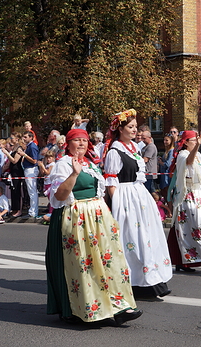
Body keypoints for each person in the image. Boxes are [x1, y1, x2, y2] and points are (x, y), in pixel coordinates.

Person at [46, 128, 142, 325]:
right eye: (77, 140)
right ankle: (86, 308)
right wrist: (74, 174)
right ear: (68, 144)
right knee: (84, 264)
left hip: (98, 217)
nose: (81, 143)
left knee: (109, 261)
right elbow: (59, 196)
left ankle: (119, 306)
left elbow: (100, 192)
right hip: (76, 217)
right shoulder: (62, 165)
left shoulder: (91, 164)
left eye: (84, 140)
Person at [104, 109, 172, 298]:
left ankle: (151, 280)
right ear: (120, 129)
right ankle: (136, 283)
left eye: (135, 127)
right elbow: (111, 183)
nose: (135, 130)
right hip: (126, 198)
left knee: (147, 237)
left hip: (139, 196)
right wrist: (118, 207)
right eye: (131, 127)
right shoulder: (115, 152)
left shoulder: (133, 148)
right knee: (134, 239)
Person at [168, 130, 201, 274]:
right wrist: (198, 146)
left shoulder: (199, 156)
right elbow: (188, 162)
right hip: (188, 195)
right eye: (193, 141)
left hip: (200, 194)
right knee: (192, 228)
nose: (196, 143)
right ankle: (188, 261)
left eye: (196, 141)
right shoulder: (182, 155)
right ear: (185, 142)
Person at [17, 131, 40, 218]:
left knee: (32, 191)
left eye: (26, 137)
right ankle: (32, 210)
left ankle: (33, 212)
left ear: (31, 137)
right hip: (28, 169)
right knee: (31, 191)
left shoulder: (32, 146)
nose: (24, 138)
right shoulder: (29, 146)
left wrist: (24, 155)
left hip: (31, 169)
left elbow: (34, 161)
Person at [1, 134, 24, 218]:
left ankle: (18, 210)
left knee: (17, 190)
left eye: (12, 138)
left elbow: (15, 161)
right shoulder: (14, 148)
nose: (10, 139)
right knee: (13, 191)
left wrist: (7, 153)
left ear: (17, 139)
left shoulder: (19, 148)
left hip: (17, 172)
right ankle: (14, 208)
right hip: (13, 172)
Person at [158, 134, 174, 198]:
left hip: (167, 176)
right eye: (164, 140)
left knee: (168, 194)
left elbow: (168, 164)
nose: (165, 142)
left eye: (166, 140)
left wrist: (160, 162)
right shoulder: (167, 151)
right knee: (164, 193)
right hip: (164, 176)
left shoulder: (171, 151)